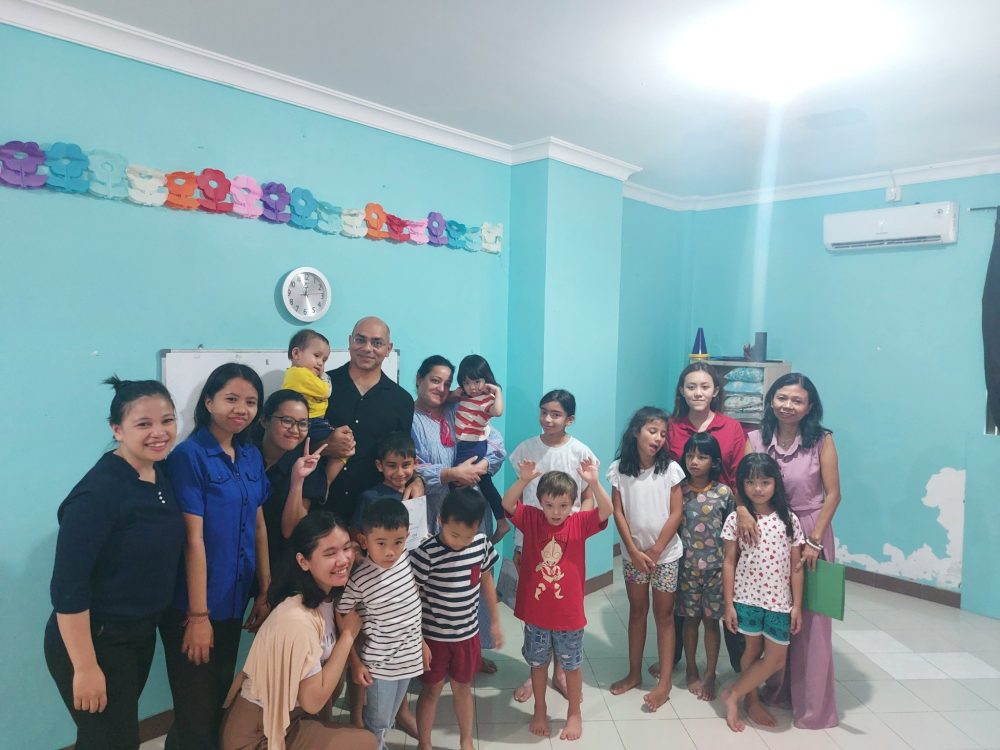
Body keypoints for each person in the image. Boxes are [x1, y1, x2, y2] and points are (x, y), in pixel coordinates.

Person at [45, 377, 184, 750]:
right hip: (95, 639)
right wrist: (86, 668)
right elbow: (67, 590)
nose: (159, 432)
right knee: (113, 741)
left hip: (137, 633)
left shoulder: (158, 473)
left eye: (167, 420)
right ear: (117, 429)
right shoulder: (98, 493)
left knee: (108, 736)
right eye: (144, 424)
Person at [160, 363, 271, 750]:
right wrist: (198, 616)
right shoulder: (188, 456)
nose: (241, 409)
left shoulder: (251, 455)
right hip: (194, 606)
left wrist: (265, 591)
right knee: (196, 711)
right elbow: (193, 540)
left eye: (251, 402)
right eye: (231, 399)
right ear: (208, 401)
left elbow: (258, 527)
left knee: (212, 704)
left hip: (234, 599)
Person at [220, 512, 375, 750]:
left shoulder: (326, 596)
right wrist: (347, 637)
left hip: (289, 717)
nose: (344, 559)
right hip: (258, 734)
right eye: (330, 553)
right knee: (365, 743)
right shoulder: (296, 618)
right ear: (303, 561)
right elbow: (312, 701)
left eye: (347, 548)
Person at [742, 372, 841, 729]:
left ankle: (814, 707)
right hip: (769, 538)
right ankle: (776, 690)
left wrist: (814, 540)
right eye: (782, 398)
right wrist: (741, 509)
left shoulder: (821, 440)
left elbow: (833, 494)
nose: (788, 405)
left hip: (813, 534)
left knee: (813, 622)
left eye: (797, 400)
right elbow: (742, 484)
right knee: (775, 614)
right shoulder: (755, 438)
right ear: (771, 400)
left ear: (809, 406)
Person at [502, 460, 612, 741]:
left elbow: (607, 510)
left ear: (573, 504)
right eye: (549, 505)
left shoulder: (578, 523)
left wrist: (595, 482)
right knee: (537, 664)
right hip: (537, 614)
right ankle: (540, 708)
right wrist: (524, 480)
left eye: (563, 505)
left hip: (568, 615)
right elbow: (508, 504)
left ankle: (574, 712)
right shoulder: (532, 519)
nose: (556, 512)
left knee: (572, 666)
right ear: (540, 503)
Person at [411, 355, 505, 672]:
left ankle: (472, 652)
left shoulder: (457, 408)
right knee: (435, 586)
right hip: (433, 513)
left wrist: (480, 466)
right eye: (434, 380)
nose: (441, 387)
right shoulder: (408, 418)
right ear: (418, 379)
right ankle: (430, 657)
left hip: (470, 508)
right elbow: (409, 468)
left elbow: (494, 443)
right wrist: (450, 474)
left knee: (472, 577)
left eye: (446, 382)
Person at [508, 389, 598, 704]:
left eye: (556, 414)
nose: (548, 418)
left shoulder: (580, 452)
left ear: (569, 419)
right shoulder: (526, 449)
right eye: (544, 411)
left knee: (562, 610)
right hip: (530, 537)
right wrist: (519, 540)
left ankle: (561, 671)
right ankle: (536, 672)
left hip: (567, 543)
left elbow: (588, 495)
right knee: (535, 605)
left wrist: (578, 526)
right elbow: (518, 499)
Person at [666, 361, 748, 673]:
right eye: (691, 387)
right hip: (680, 519)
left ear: (715, 391)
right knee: (680, 600)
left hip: (723, 519)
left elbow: (741, 475)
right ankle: (676, 660)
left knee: (728, 592)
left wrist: (741, 511)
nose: (698, 392)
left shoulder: (731, 427)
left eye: (704, 387)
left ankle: (738, 664)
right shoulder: (672, 427)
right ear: (681, 391)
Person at [410, 489, 502, 750]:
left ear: (477, 527)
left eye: (468, 535)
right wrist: (419, 639)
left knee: (463, 688)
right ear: (440, 520)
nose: (460, 542)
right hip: (434, 638)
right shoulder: (425, 553)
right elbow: (412, 597)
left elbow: (486, 580)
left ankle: (466, 740)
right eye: (454, 534)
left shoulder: (481, 543)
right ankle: (424, 742)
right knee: (431, 691)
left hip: (467, 636)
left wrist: (494, 621)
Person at [607, 406, 684, 712]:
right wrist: (634, 552)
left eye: (663, 434)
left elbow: (676, 512)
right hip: (633, 556)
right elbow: (618, 512)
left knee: (664, 616)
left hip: (665, 556)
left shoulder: (671, 469)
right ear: (636, 431)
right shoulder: (618, 470)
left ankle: (664, 683)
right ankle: (634, 673)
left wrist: (654, 551)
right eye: (653, 431)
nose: (658, 438)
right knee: (637, 611)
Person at [720, 453, 804, 733]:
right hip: (746, 599)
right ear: (742, 485)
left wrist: (797, 606)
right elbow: (729, 561)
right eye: (751, 482)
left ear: (775, 483)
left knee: (776, 658)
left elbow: (796, 567)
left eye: (765, 482)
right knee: (751, 651)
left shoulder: (789, 519)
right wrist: (728, 604)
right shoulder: (736, 518)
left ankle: (734, 693)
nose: (757, 488)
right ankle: (751, 701)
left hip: (780, 602)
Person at [337, 499, 427, 750]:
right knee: (377, 721)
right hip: (381, 666)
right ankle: (373, 745)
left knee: (388, 717)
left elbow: (411, 608)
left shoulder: (406, 561)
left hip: (408, 660)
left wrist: (422, 643)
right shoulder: (360, 579)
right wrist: (355, 662)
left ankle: (378, 742)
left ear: (406, 538)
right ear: (364, 541)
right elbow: (341, 613)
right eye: (381, 543)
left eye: (398, 542)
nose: (390, 551)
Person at [323, 317, 415, 523]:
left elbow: (402, 452)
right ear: (349, 341)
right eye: (360, 340)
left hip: (375, 514)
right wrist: (327, 445)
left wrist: (417, 480)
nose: (367, 348)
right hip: (322, 505)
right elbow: (299, 438)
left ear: (388, 348)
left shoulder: (401, 400)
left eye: (377, 342)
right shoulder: (323, 387)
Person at [253, 389, 341, 583]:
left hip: (280, 565)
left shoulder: (306, 464)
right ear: (264, 420)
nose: (295, 430)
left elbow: (291, 530)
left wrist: (297, 479)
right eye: (286, 420)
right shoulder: (246, 455)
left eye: (302, 423)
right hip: (239, 558)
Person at [677, 432, 734, 701]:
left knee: (712, 624)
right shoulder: (678, 490)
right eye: (690, 455)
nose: (695, 461)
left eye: (702, 456)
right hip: (686, 568)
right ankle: (690, 668)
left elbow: (731, 532)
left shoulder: (724, 493)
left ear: (714, 461)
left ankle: (710, 674)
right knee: (690, 622)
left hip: (715, 570)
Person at [449, 354, 508, 542]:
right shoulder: (463, 398)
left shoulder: (485, 399)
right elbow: (446, 400)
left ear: (486, 380)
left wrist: (497, 391)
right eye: (467, 383)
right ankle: (501, 521)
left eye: (477, 381)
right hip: (465, 443)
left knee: (456, 481)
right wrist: (456, 393)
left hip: (472, 445)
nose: (472, 387)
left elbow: (497, 412)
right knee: (484, 482)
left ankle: (466, 526)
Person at [350, 431, 422, 536]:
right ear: (379, 465)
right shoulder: (370, 498)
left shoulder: (417, 495)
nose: (400, 473)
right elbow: (355, 531)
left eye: (406, 465)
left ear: (415, 464)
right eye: (392, 466)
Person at [281, 329, 334, 444]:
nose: (320, 363)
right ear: (296, 354)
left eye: (324, 360)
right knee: (340, 441)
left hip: (313, 421)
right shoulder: (299, 374)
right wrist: (324, 377)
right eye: (316, 356)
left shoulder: (303, 375)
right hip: (309, 422)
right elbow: (325, 391)